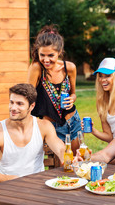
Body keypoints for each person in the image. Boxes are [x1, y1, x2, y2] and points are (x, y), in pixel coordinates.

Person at [0, 83, 65, 186]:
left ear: (31, 106)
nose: (13, 108)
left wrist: (68, 157)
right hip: (9, 188)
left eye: (19, 104)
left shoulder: (44, 126)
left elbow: (60, 149)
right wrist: (10, 179)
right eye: (11, 102)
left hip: (38, 187)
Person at [27, 25, 81, 154]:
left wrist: (71, 99)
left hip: (73, 121)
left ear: (59, 52)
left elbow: (73, 93)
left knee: (78, 161)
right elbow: (28, 96)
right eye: (42, 55)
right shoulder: (36, 68)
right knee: (60, 166)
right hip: (51, 126)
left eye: (51, 55)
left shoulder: (70, 68)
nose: (46, 60)